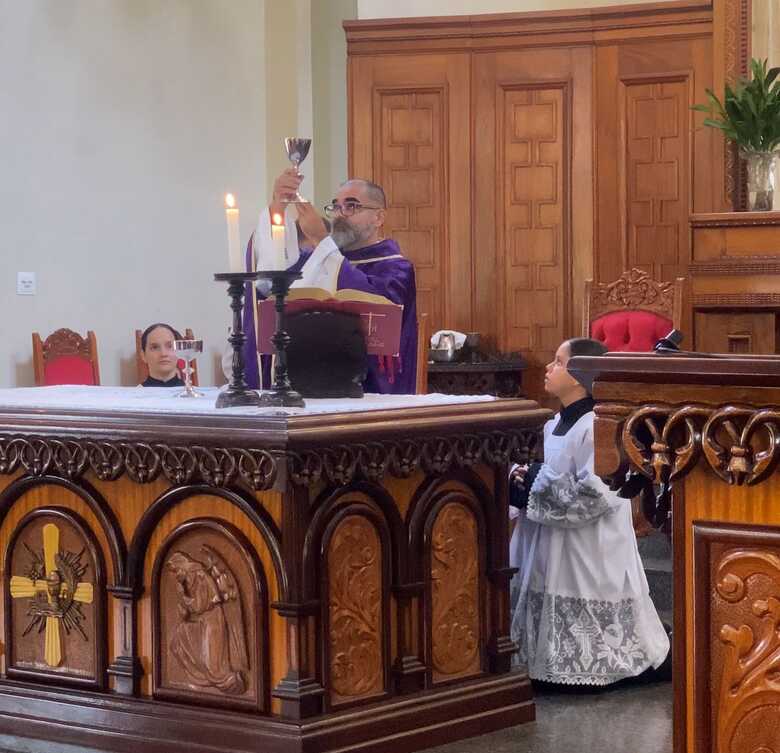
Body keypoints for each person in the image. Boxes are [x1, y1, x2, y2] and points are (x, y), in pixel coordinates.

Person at [509, 337, 669, 686]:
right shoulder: (553, 422)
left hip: (589, 546)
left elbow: (597, 495)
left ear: (582, 376)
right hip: (551, 543)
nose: (549, 368)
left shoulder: (599, 427)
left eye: (559, 362)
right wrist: (522, 479)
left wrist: (533, 482)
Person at [238, 169, 418, 394]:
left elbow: (382, 311)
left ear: (379, 217)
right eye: (336, 206)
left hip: (370, 391)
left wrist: (321, 240)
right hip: (307, 388)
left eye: (352, 206)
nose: (341, 214)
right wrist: (278, 206)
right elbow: (270, 279)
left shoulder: (396, 268)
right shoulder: (317, 260)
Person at [139, 323, 184, 387]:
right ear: (143, 355)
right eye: (155, 347)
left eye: (170, 346)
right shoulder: (130, 396)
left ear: (179, 352)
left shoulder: (195, 395)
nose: (163, 354)